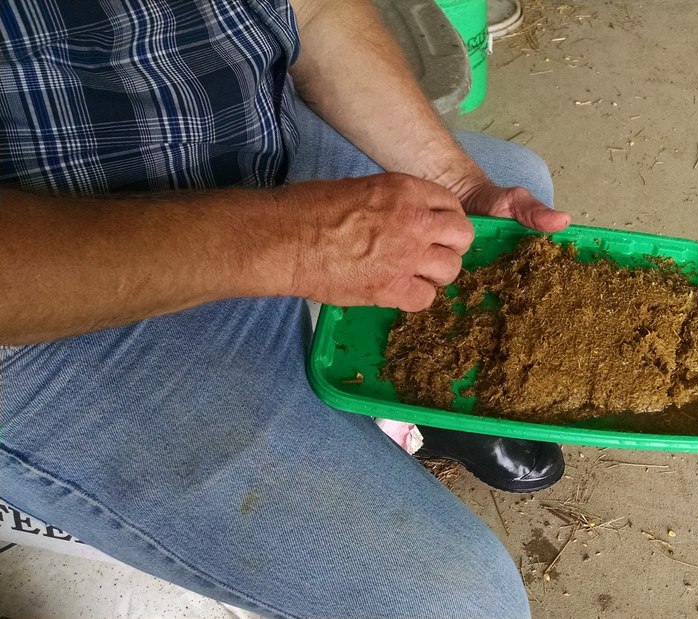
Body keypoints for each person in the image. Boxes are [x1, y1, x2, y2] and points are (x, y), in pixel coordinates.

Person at [0, 1, 569, 617]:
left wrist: (459, 187)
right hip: (57, 290)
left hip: (230, 132)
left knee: (516, 184)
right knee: (460, 604)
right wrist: (294, 242)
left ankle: (420, 399)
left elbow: (315, 9)